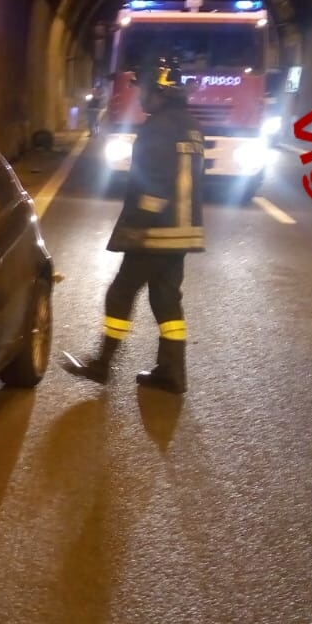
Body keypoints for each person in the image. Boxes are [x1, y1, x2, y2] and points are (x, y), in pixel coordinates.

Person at [63, 55, 205, 394]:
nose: (141, 97)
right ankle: (173, 373)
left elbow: (151, 186)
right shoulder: (191, 125)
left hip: (155, 230)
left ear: (160, 92)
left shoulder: (156, 130)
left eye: (145, 90)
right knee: (166, 299)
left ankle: (102, 364)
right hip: (184, 231)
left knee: (121, 291)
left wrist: (133, 230)